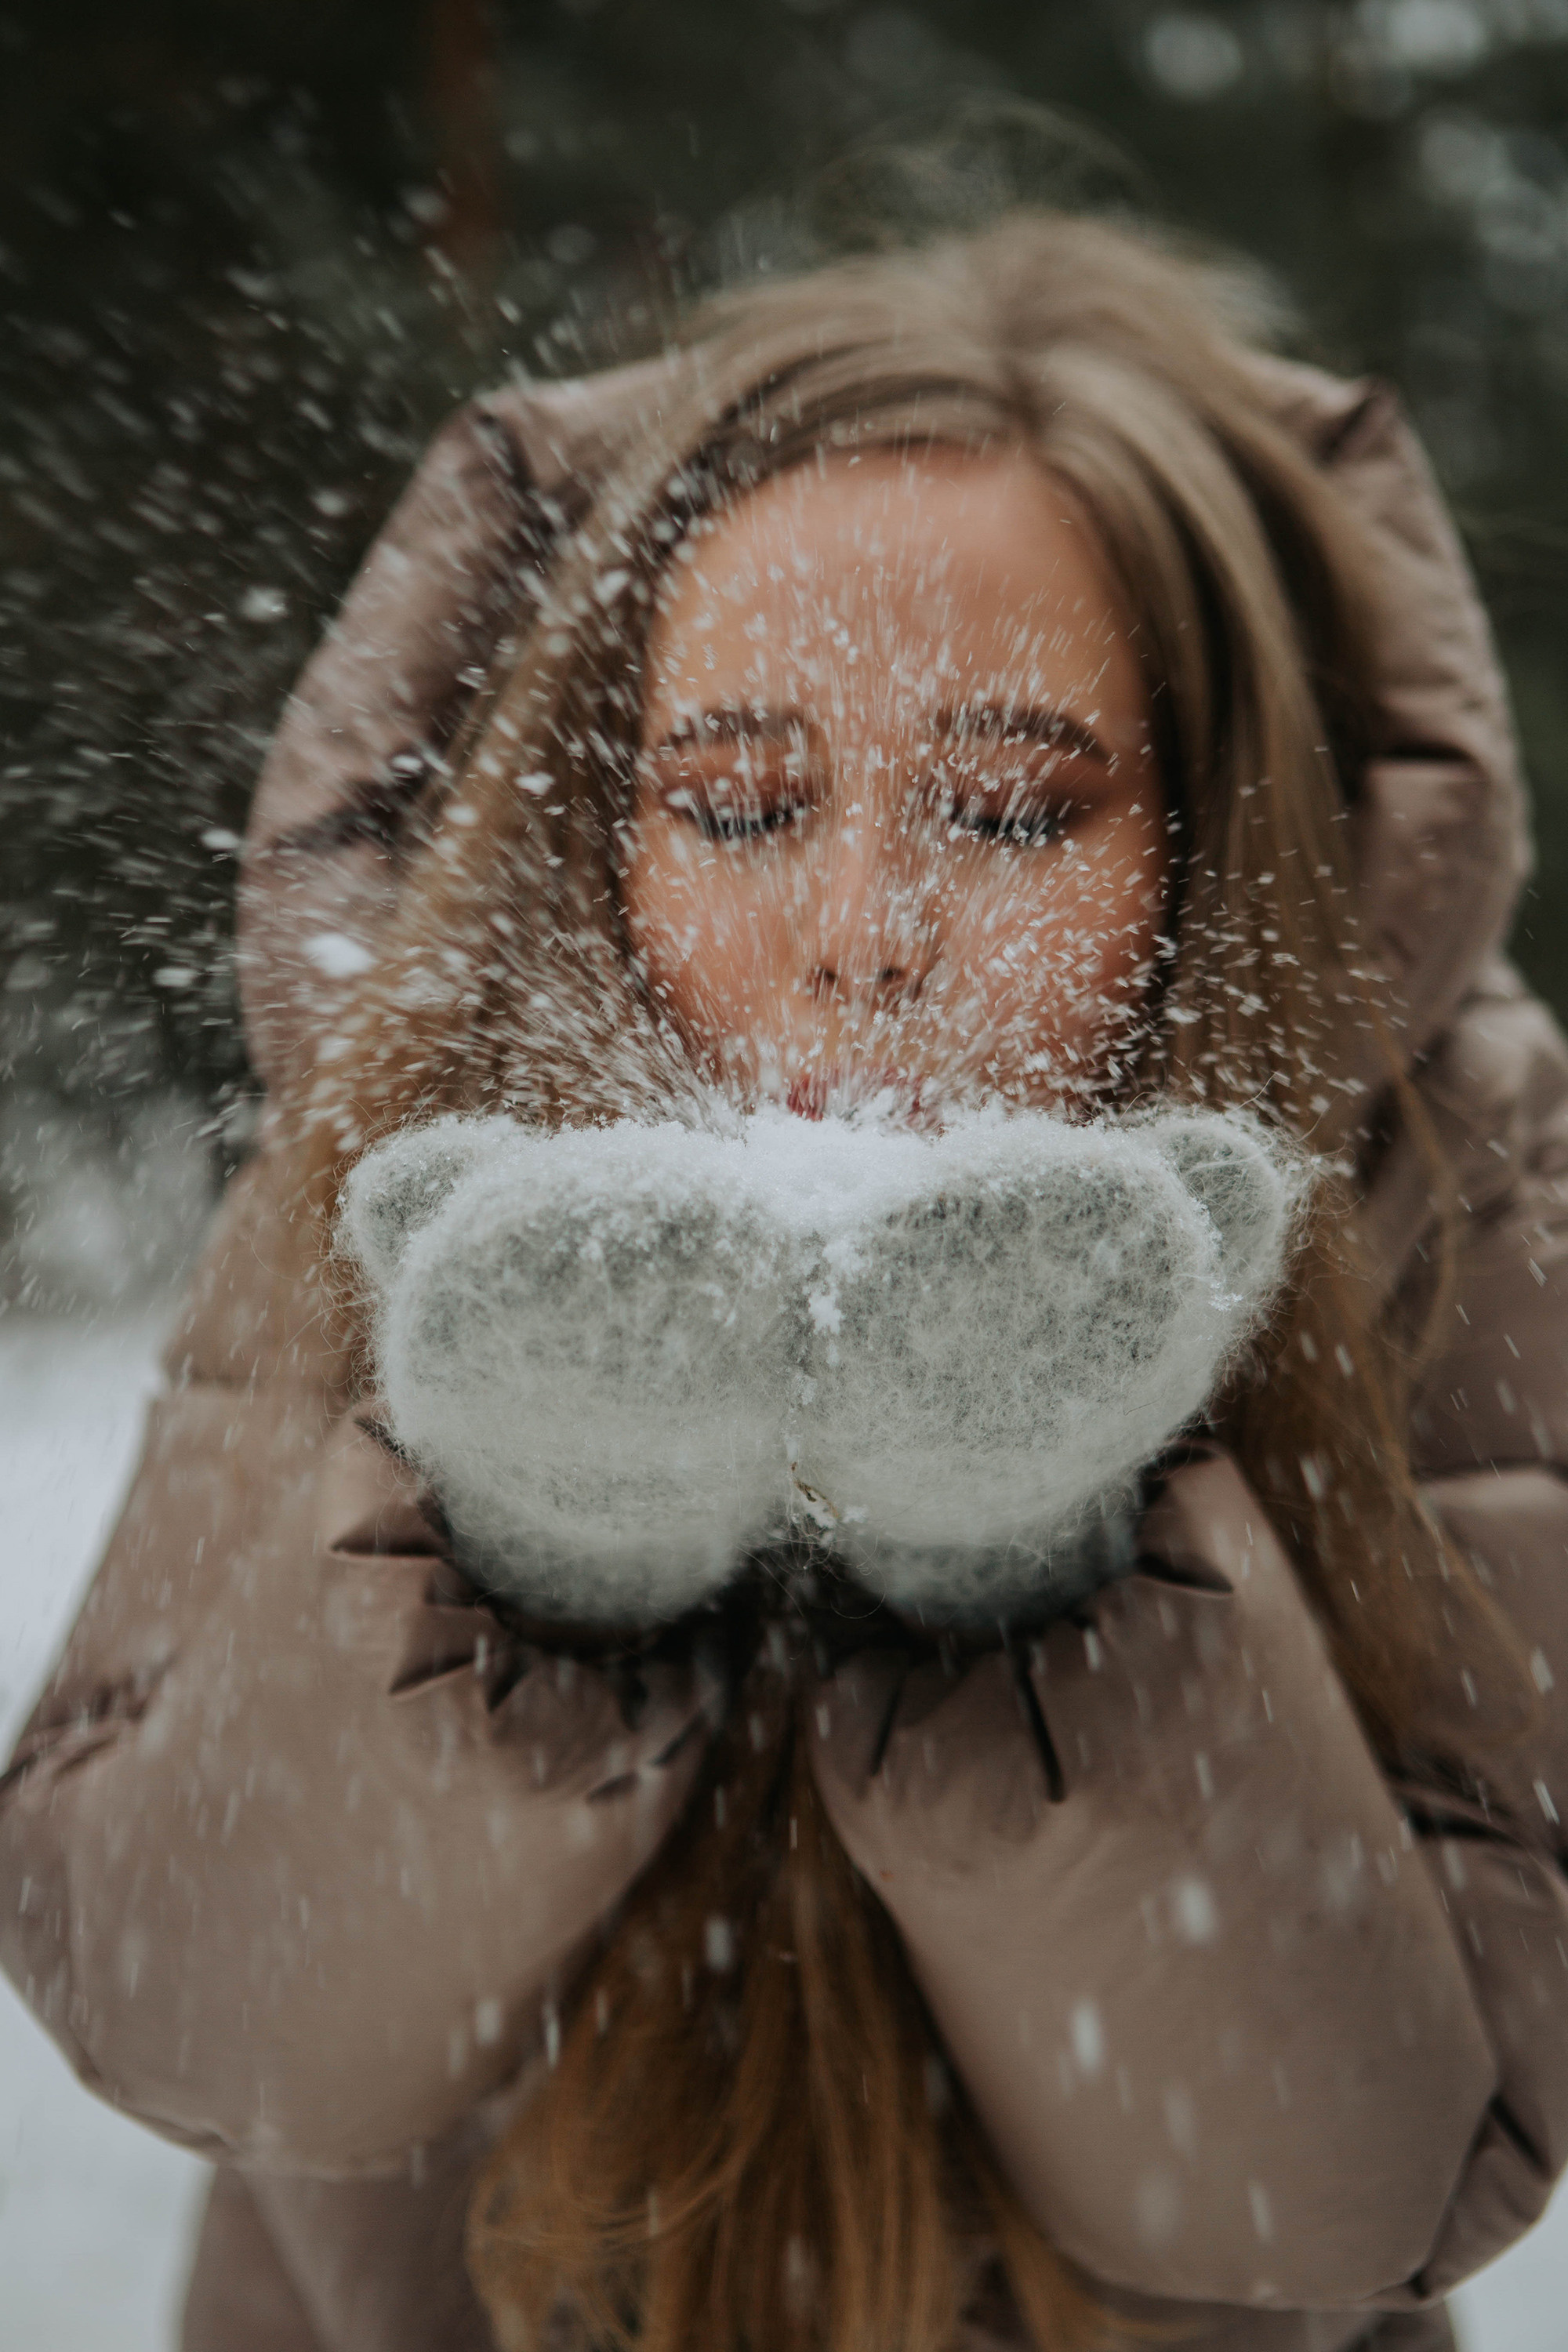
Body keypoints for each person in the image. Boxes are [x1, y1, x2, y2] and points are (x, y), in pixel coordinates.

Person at [4, 210, 1567, 2352]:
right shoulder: (419, 1138)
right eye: (740, 805)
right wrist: (541, 1547)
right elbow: (188, 2015)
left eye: (1015, 813)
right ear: (595, 826)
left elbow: (1384, 2172)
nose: (868, 929)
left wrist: (1030, 1563)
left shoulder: (1436, 1170)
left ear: (1214, 845)